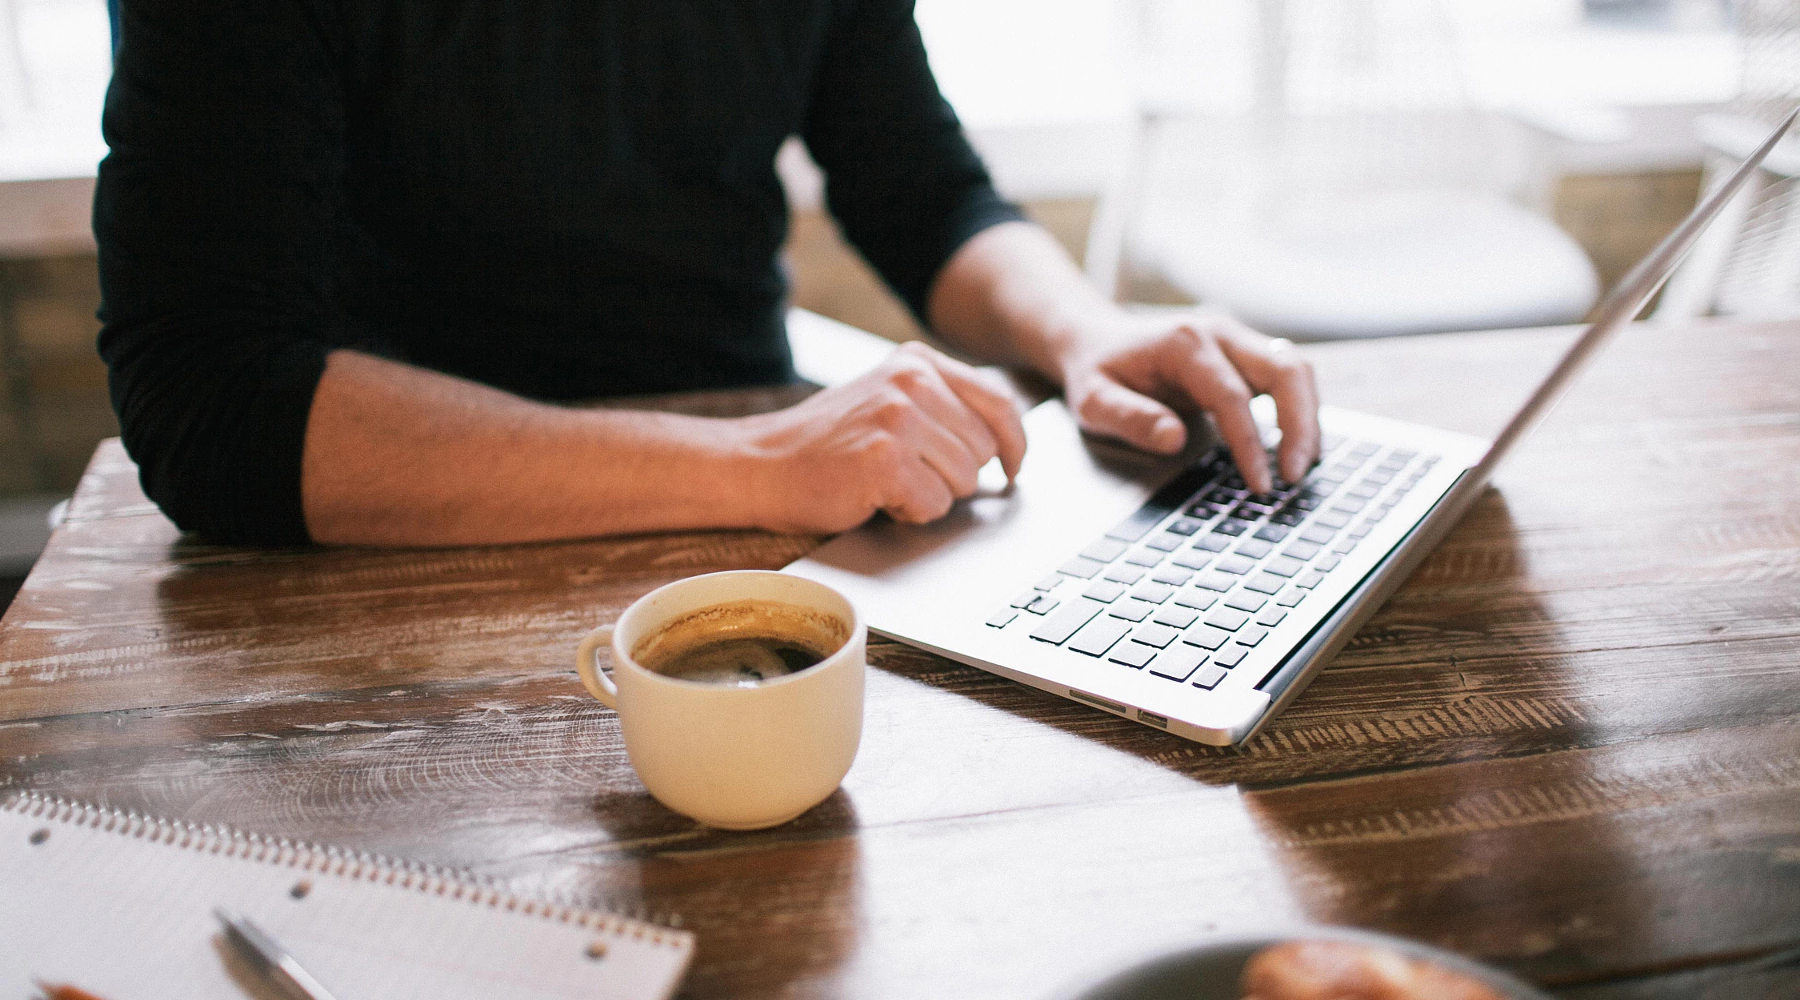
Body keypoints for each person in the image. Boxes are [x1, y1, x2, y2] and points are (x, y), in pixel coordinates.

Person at [95, 0, 1319, 548]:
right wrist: (765, 462)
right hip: (405, 526)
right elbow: (212, 401)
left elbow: (920, 188)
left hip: (754, 509)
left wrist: (1081, 329)